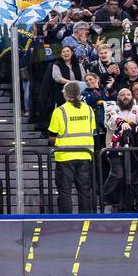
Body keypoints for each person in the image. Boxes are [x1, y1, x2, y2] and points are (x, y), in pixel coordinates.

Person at [48, 81, 96, 214]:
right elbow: (91, 130)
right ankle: (86, 219)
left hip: (65, 155)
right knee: (85, 191)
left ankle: (66, 221)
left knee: (64, 191)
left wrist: (57, 142)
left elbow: (52, 136)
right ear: (79, 94)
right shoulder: (89, 109)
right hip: (85, 155)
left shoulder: (59, 111)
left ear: (65, 94)